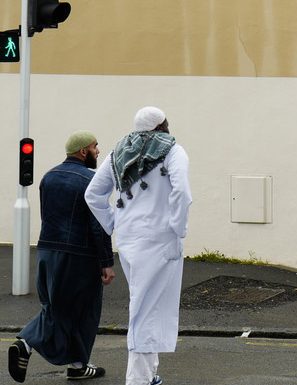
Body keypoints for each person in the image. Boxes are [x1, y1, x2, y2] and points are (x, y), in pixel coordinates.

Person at [85, 106, 192, 385]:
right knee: (146, 309)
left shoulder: (118, 152)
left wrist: (114, 222)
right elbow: (182, 193)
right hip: (161, 240)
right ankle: (137, 380)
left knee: (147, 304)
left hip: (129, 241)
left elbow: (93, 194)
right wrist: (178, 229)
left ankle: (149, 373)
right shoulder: (172, 151)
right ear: (162, 126)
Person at [8, 131, 115, 383]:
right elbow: (98, 225)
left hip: (47, 251)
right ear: (82, 151)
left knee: (58, 306)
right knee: (84, 309)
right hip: (78, 255)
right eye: (94, 147)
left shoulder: (49, 177)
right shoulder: (92, 180)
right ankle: (26, 342)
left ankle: (78, 366)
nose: (98, 151)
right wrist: (106, 262)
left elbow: (48, 216)